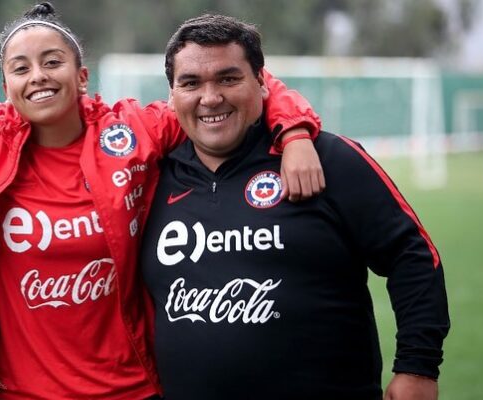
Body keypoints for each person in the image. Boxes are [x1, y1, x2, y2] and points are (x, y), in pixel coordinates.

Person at [0, 3, 323, 399]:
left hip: (132, 388)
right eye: (21, 68)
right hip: (26, 391)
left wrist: (296, 132)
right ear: (4, 85)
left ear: (82, 75)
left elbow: (242, 80)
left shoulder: (136, 128)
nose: (38, 76)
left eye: (53, 62)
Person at [140, 14, 450, 400]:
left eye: (228, 78)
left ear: (262, 83)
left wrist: (418, 367)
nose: (210, 97)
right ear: (171, 95)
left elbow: (412, 256)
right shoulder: (148, 179)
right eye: (190, 83)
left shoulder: (328, 159)